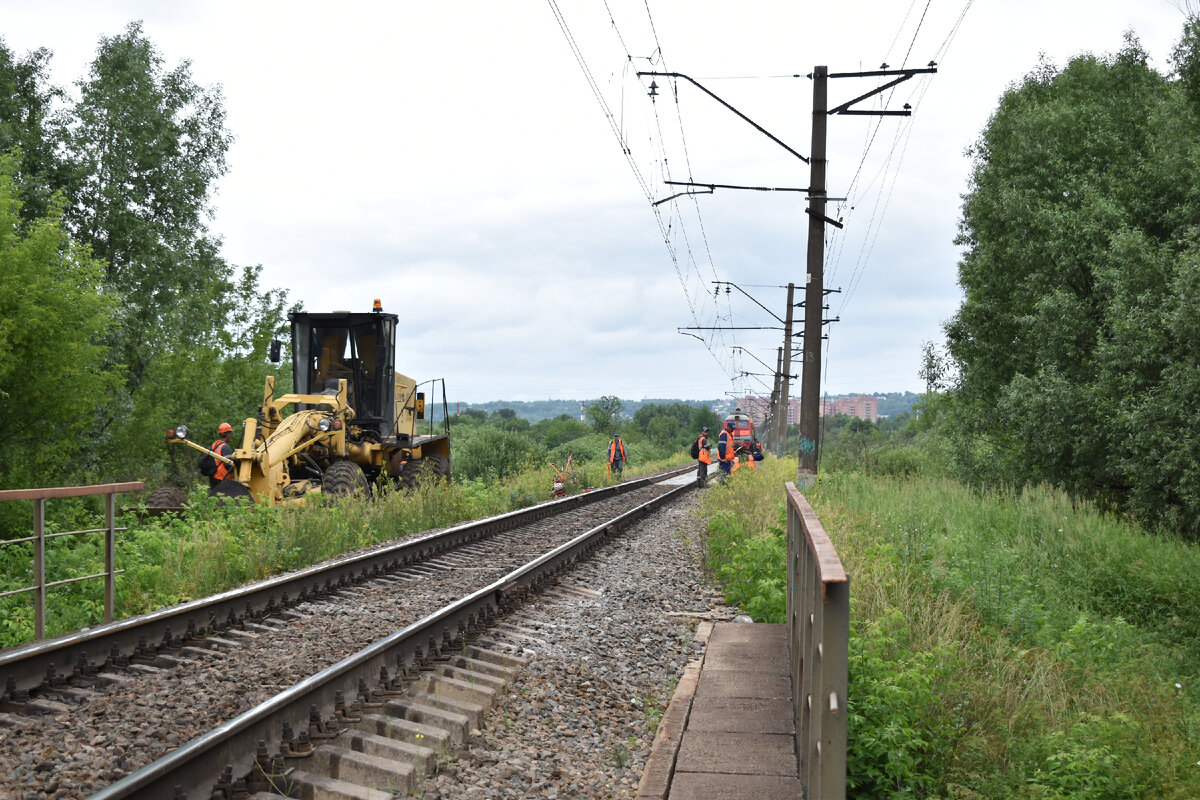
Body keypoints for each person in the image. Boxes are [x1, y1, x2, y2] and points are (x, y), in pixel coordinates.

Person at [208, 422, 235, 494]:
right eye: (230, 434)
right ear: (227, 434)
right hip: (222, 478)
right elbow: (228, 464)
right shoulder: (225, 447)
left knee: (214, 498)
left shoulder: (214, 445)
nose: (230, 436)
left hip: (213, 477)